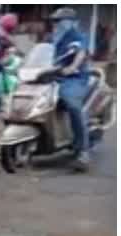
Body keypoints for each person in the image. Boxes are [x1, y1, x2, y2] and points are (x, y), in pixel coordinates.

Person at [49, 7, 92, 169]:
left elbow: (81, 52)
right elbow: (45, 53)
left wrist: (73, 66)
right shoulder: (54, 38)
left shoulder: (78, 36)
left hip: (74, 78)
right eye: (55, 21)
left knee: (74, 106)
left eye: (59, 21)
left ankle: (83, 152)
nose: (56, 24)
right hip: (54, 77)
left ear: (70, 22)